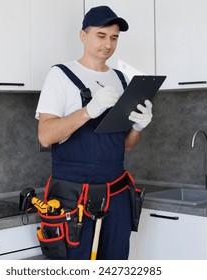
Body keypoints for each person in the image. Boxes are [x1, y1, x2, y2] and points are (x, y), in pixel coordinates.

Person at [35, 6, 153, 260]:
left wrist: (139, 127)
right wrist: (88, 111)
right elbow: (45, 135)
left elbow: (126, 145)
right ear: (83, 35)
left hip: (117, 195)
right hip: (74, 198)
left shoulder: (121, 79)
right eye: (101, 35)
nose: (108, 44)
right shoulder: (60, 76)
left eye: (114, 37)